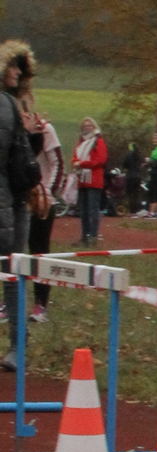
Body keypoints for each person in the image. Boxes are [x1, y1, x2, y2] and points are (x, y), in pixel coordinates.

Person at [0, 42, 43, 372]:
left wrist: (30, 136)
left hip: (14, 201)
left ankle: (18, 346)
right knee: (13, 273)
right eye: (13, 66)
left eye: (20, 67)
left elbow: (20, 158)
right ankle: (18, 347)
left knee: (12, 274)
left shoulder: (16, 103)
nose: (17, 72)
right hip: (10, 202)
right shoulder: (6, 104)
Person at [19, 89, 63, 321]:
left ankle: (40, 305)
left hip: (40, 201)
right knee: (10, 251)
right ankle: (9, 302)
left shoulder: (45, 129)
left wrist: (48, 192)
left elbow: (58, 163)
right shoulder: (10, 133)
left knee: (38, 251)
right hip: (16, 200)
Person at [73, 118, 107, 243]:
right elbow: (74, 157)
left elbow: (101, 160)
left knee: (93, 210)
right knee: (83, 211)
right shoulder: (80, 142)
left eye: (89, 125)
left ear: (94, 127)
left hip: (94, 179)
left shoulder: (98, 141)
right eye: (85, 126)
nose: (87, 128)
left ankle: (93, 236)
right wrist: (76, 163)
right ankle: (84, 236)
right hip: (82, 180)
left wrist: (82, 164)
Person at [120, 139, 144, 219]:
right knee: (136, 194)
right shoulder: (139, 155)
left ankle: (132, 211)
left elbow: (124, 164)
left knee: (130, 194)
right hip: (138, 176)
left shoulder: (128, 155)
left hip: (130, 176)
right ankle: (137, 210)